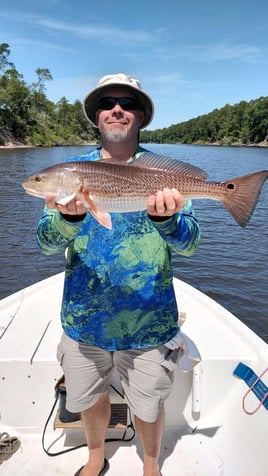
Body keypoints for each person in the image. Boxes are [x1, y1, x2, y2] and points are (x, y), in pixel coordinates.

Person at [36, 73, 201, 476]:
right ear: (96, 116)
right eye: (107, 103)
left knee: (149, 404)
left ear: (140, 116)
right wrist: (67, 221)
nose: (116, 109)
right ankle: (95, 458)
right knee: (90, 399)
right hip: (84, 321)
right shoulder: (71, 174)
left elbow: (189, 243)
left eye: (127, 103)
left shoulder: (164, 176)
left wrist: (168, 222)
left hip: (149, 322)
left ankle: (150, 463)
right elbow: (44, 242)